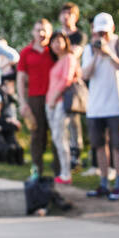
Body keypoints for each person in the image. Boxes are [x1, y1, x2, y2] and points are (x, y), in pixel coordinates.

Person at [81, 13, 119, 201]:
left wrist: (109, 54)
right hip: (95, 106)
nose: (101, 36)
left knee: (118, 146)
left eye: (105, 31)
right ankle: (104, 182)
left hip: (117, 105)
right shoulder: (89, 49)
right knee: (99, 146)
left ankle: (118, 183)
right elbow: (85, 75)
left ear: (112, 29)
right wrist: (96, 56)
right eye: (98, 32)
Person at [16, 19, 57, 178]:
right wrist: (22, 102)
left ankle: (59, 172)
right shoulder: (26, 52)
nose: (41, 33)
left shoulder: (55, 51)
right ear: (33, 32)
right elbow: (20, 78)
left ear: (50, 32)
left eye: (45, 30)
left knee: (56, 135)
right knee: (36, 136)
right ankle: (36, 171)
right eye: (38, 30)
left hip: (54, 98)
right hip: (34, 98)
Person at [44, 32, 81, 185]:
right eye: (53, 42)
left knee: (61, 137)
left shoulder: (69, 58)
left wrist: (54, 98)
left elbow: (67, 79)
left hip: (60, 102)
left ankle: (66, 174)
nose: (57, 45)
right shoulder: (57, 61)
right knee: (56, 138)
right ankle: (63, 172)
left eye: (59, 41)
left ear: (65, 42)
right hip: (50, 102)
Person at [57, 2, 87, 169]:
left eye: (70, 14)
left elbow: (73, 54)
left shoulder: (79, 36)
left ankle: (76, 154)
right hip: (57, 81)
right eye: (64, 13)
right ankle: (63, 154)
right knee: (60, 121)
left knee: (74, 119)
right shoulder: (57, 35)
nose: (66, 17)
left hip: (72, 83)